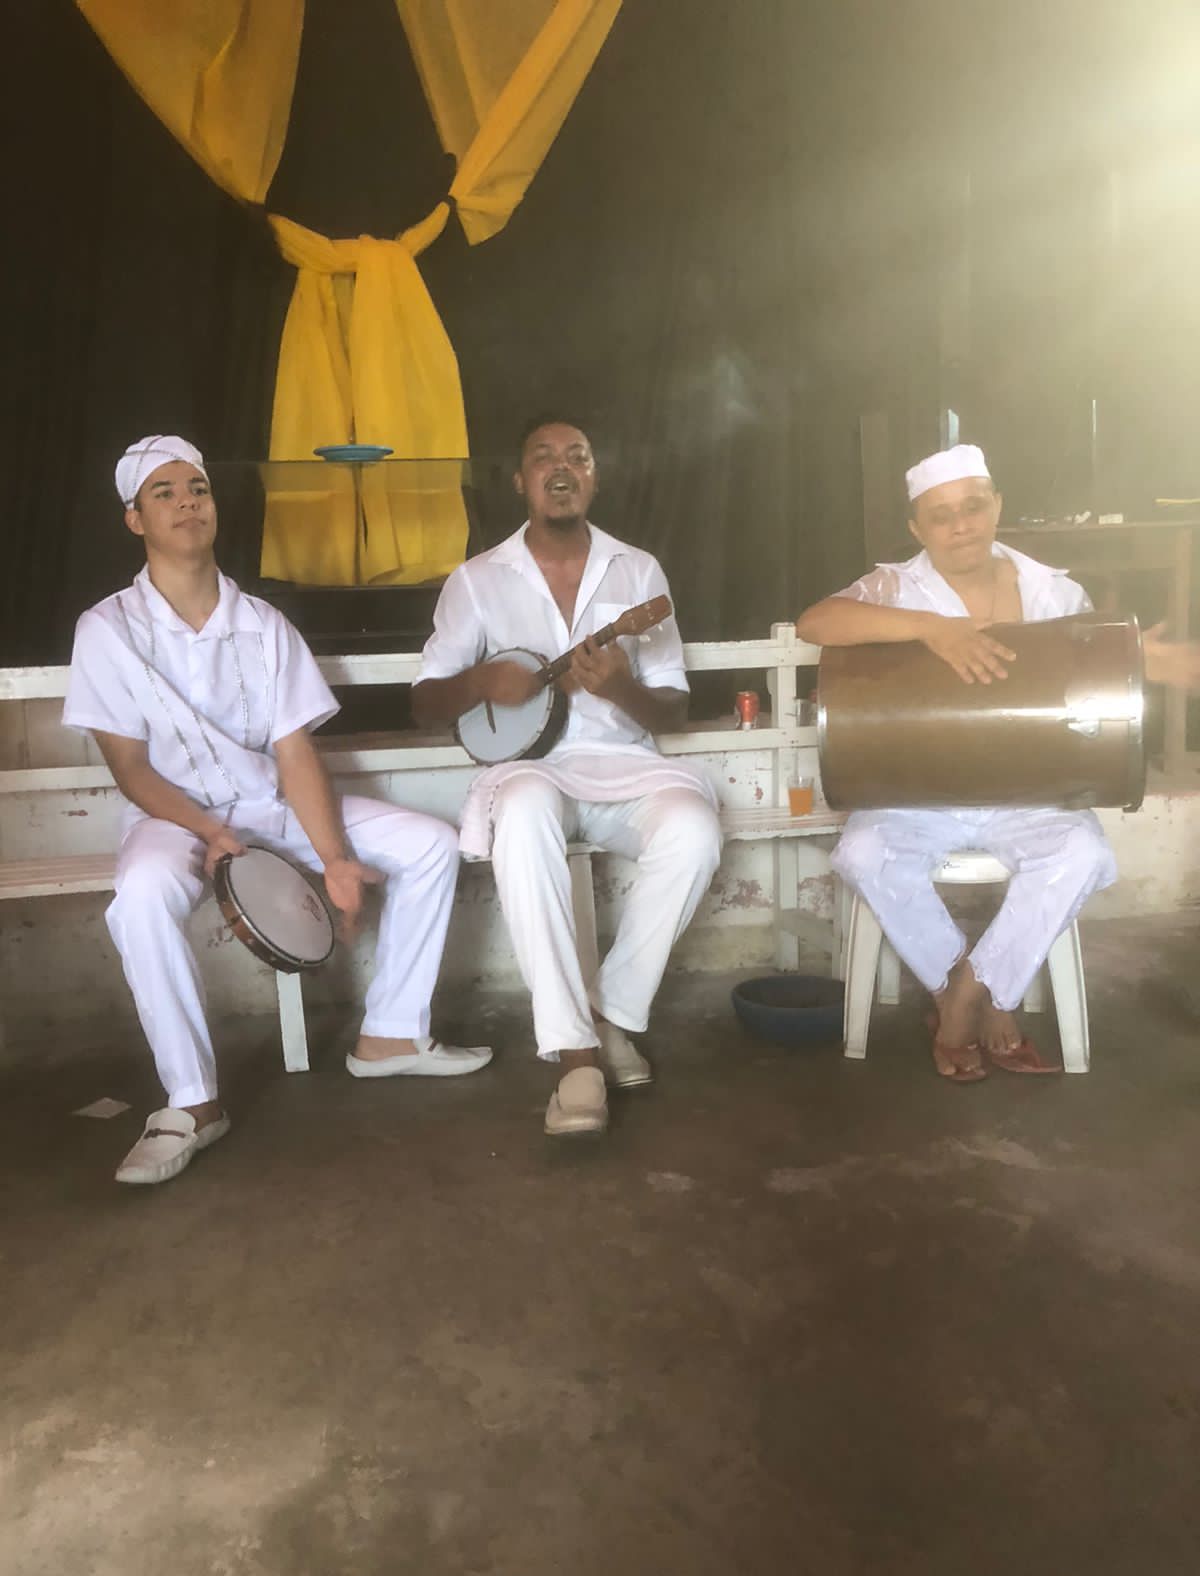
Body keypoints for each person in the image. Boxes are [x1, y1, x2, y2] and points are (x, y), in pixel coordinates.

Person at [64, 435, 490, 1185]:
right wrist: (210, 832)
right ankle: (193, 1102)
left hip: (267, 804)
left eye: (197, 488)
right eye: (164, 493)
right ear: (135, 519)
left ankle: (391, 1036)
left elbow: (295, 754)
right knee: (141, 893)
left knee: (428, 843)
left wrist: (335, 860)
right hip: (172, 819)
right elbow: (129, 768)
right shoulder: (107, 629)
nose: (187, 503)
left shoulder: (262, 624)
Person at [411, 416, 722, 1136]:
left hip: (626, 765)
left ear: (593, 477)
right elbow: (424, 702)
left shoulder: (638, 572)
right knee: (522, 809)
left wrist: (622, 689)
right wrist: (482, 681)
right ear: (519, 480)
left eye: (577, 457)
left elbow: (672, 710)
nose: (561, 468)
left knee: (695, 830)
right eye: (543, 457)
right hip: (532, 769)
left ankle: (611, 1015)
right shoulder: (476, 580)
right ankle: (577, 1056)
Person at [796, 443, 1119, 1083]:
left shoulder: (1053, 590)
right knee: (864, 852)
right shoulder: (896, 587)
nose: (961, 525)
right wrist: (930, 627)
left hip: (1029, 793)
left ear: (997, 506)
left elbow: (1096, 675)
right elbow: (815, 623)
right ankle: (965, 991)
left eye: (973, 507)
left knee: (1082, 852)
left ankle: (970, 993)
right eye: (940, 516)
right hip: (920, 794)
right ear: (917, 529)